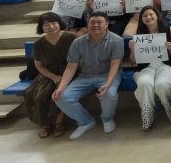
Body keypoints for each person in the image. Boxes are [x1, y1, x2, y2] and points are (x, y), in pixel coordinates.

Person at [52, 12, 124, 140]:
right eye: (92, 22)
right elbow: (71, 67)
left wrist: (107, 84)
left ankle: (107, 119)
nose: (96, 25)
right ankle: (85, 121)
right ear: (88, 24)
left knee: (109, 94)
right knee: (62, 98)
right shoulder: (77, 42)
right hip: (86, 75)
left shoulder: (117, 40)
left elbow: (115, 65)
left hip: (108, 74)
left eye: (100, 22)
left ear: (107, 24)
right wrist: (61, 88)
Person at [128, 6, 171, 131]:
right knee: (144, 83)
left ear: (157, 15)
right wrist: (133, 50)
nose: (148, 17)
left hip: (167, 64)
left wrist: (170, 48)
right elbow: (133, 61)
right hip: (145, 66)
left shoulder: (169, 30)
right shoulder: (139, 35)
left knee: (161, 85)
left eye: (151, 14)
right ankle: (147, 113)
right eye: (145, 15)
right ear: (141, 19)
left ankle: (169, 106)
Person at [24, 13, 77, 139]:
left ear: (59, 23)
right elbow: (39, 65)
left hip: (72, 71)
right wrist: (53, 76)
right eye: (46, 24)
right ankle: (45, 124)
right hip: (50, 72)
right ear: (41, 27)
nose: (51, 27)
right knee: (39, 95)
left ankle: (59, 122)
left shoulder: (72, 37)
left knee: (60, 93)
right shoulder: (39, 44)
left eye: (54, 23)